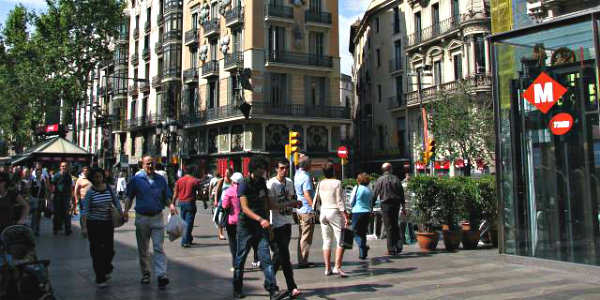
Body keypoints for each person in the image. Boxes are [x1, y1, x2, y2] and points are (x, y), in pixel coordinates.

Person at [233, 156, 287, 300]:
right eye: (260, 168)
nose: (263, 171)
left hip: (260, 227)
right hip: (245, 226)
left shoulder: (262, 182)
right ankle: (237, 288)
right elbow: (244, 208)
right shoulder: (244, 184)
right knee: (241, 259)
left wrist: (268, 224)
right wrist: (261, 219)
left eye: (264, 168)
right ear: (254, 168)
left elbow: (265, 204)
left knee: (266, 259)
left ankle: (273, 290)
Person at [124, 155, 175, 289]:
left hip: (157, 217)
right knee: (143, 248)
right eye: (148, 164)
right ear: (142, 165)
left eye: (152, 163)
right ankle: (146, 272)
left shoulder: (161, 180)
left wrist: (171, 205)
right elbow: (129, 197)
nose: (150, 166)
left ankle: (161, 275)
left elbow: (166, 197)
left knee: (158, 247)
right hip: (142, 218)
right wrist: (125, 210)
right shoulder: (136, 180)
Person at [81, 167, 123, 288]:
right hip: (94, 224)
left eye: (100, 176)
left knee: (109, 249)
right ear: (92, 178)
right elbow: (85, 211)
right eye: (95, 177)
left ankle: (106, 267)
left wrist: (121, 213)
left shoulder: (109, 189)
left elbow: (116, 202)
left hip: (107, 224)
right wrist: (84, 227)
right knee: (96, 251)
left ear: (103, 177)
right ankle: (100, 277)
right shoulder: (90, 192)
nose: (98, 179)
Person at [267, 158, 302, 297]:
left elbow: (292, 199)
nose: (284, 170)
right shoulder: (271, 183)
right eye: (281, 168)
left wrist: (295, 206)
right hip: (276, 223)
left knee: (280, 255)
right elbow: (271, 205)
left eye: (286, 168)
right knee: (284, 256)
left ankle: (269, 281)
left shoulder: (290, 182)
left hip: (287, 222)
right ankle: (292, 287)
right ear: (276, 169)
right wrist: (289, 203)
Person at [315, 162, 349, 277]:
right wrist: (345, 214)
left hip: (323, 211)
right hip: (334, 211)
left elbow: (317, 198)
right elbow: (339, 200)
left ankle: (327, 268)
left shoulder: (320, 183)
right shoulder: (337, 182)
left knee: (326, 241)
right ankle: (337, 267)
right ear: (333, 171)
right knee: (341, 240)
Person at [372, 162, 405, 255]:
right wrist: (403, 206)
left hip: (386, 204)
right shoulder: (396, 178)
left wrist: (371, 205)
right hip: (396, 204)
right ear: (390, 169)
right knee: (395, 224)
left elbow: (375, 193)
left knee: (388, 226)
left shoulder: (380, 180)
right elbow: (401, 193)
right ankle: (398, 246)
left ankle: (391, 248)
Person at [295, 156, 316, 268]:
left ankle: (301, 259)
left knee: (301, 235)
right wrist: (314, 207)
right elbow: (307, 194)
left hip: (300, 209)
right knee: (306, 237)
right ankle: (303, 261)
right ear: (308, 165)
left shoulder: (297, 174)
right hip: (307, 209)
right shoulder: (306, 177)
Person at [221, 172, 244, 271]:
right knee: (242, 243)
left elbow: (224, 205)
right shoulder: (245, 191)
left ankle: (235, 264)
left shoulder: (229, 191)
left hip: (231, 221)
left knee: (233, 242)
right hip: (243, 221)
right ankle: (241, 262)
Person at [172, 166, 200, 247]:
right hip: (190, 203)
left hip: (182, 203)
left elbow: (175, 193)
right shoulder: (194, 180)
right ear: (192, 172)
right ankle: (185, 241)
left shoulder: (179, 180)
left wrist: (173, 203)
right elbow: (200, 192)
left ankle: (189, 238)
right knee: (189, 223)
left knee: (184, 222)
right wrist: (204, 202)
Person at [350, 173, 373, 259]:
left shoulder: (357, 188)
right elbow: (371, 201)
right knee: (363, 232)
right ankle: (362, 254)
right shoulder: (369, 189)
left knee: (355, 232)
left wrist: (351, 207)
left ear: (359, 180)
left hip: (356, 211)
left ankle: (363, 246)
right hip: (366, 212)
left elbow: (351, 201)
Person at [51, 162, 74, 235]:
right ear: (60, 167)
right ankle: (56, 228)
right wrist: (51, 194)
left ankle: (67, 229)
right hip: (57, 196)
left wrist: (71, 197)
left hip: (66, 196)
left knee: (67, 213)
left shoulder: (68, 176)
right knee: (56, 213)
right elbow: (51, 184)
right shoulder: (56, 175)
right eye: (62, 166)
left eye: (65, 166)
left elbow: (70, 187)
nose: (64, 167)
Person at [214, 168, 233, 240]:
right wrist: (215, 200)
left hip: (230, 201)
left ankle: (230, 232)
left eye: (228, 173)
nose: (226, 174)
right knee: (220, 216)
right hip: (222, 201)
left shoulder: (232, 181)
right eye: (226, 173)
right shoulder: (221, 180)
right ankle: (220, 233)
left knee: (228, 217)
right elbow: (216, 190)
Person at [29, 168, 49, 236]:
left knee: (39, 215)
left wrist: (47, 199)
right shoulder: (32, 180)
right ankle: (33, 229)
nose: (38, 173)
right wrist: (30, 198)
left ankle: (37, 229)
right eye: (37, 172)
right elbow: (29, 190)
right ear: (35, 173)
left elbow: (45, 190)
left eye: (40, 172)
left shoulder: (43, 181)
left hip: (41, 199)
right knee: (34, 215)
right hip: (34, 199)